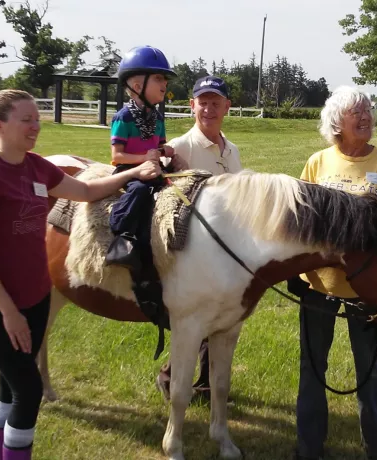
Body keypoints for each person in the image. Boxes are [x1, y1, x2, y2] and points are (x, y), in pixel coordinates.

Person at [0, 89, 161, 460]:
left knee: (10, 384)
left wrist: (134, 172)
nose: (35, 126)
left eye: (37, 118)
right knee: (28, 389)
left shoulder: (36, 166)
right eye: (26, 120)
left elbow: (84, 190)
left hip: (35, 295)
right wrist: (9, 312)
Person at [294, 86, 377, 460]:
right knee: (312, 367)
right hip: (319, 285)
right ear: (337, 122)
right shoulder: (318, 162)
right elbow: (302, 220)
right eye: (356, 110)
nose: (366, 115)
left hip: (369, 290)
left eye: (368, 109)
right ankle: (308, 448)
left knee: (369, 372)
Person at [156, 76, 242, 401]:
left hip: (226, 250)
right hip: (189, 253)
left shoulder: (231, 150)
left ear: (226, 107)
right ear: (191, 106)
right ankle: (174, 377)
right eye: (202, 102)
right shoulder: (179, 148)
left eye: (215, 102)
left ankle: (203, 382)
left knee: (219, 317)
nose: (208, 109)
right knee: (200, 319)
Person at [107, 45, 186, 269]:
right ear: (138, 86)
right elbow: (117, 156)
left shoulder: (158, 118)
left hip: (153, 168)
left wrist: (169, 153)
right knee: (140, 191)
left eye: (165, 80)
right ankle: (122, 235)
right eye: (159, 79)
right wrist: (144, 158)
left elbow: (160, 147)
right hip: (129, 170)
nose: (165, 84)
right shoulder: (123, 118)